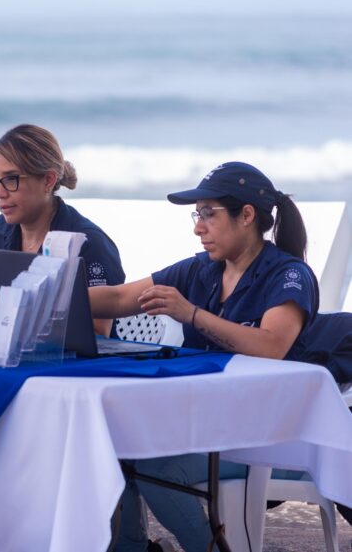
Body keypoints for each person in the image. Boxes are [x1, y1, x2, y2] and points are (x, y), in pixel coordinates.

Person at [88, 161, 318, 552]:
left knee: (157, 468)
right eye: (198, 216)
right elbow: (119, 297)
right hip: (210, 423)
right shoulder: (202, 269)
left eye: (208, 214)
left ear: (247, 215)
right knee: (112, 446)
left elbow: (271, 347)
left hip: (269, 435)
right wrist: (43, 293)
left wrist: (192, 314)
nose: (198, 227)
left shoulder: (288, 274)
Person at [0, 123, 125, 335]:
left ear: (48, 181)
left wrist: (20, 309)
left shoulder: (88, 242)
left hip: (71, 358)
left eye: (11, 179)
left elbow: (99, 332)